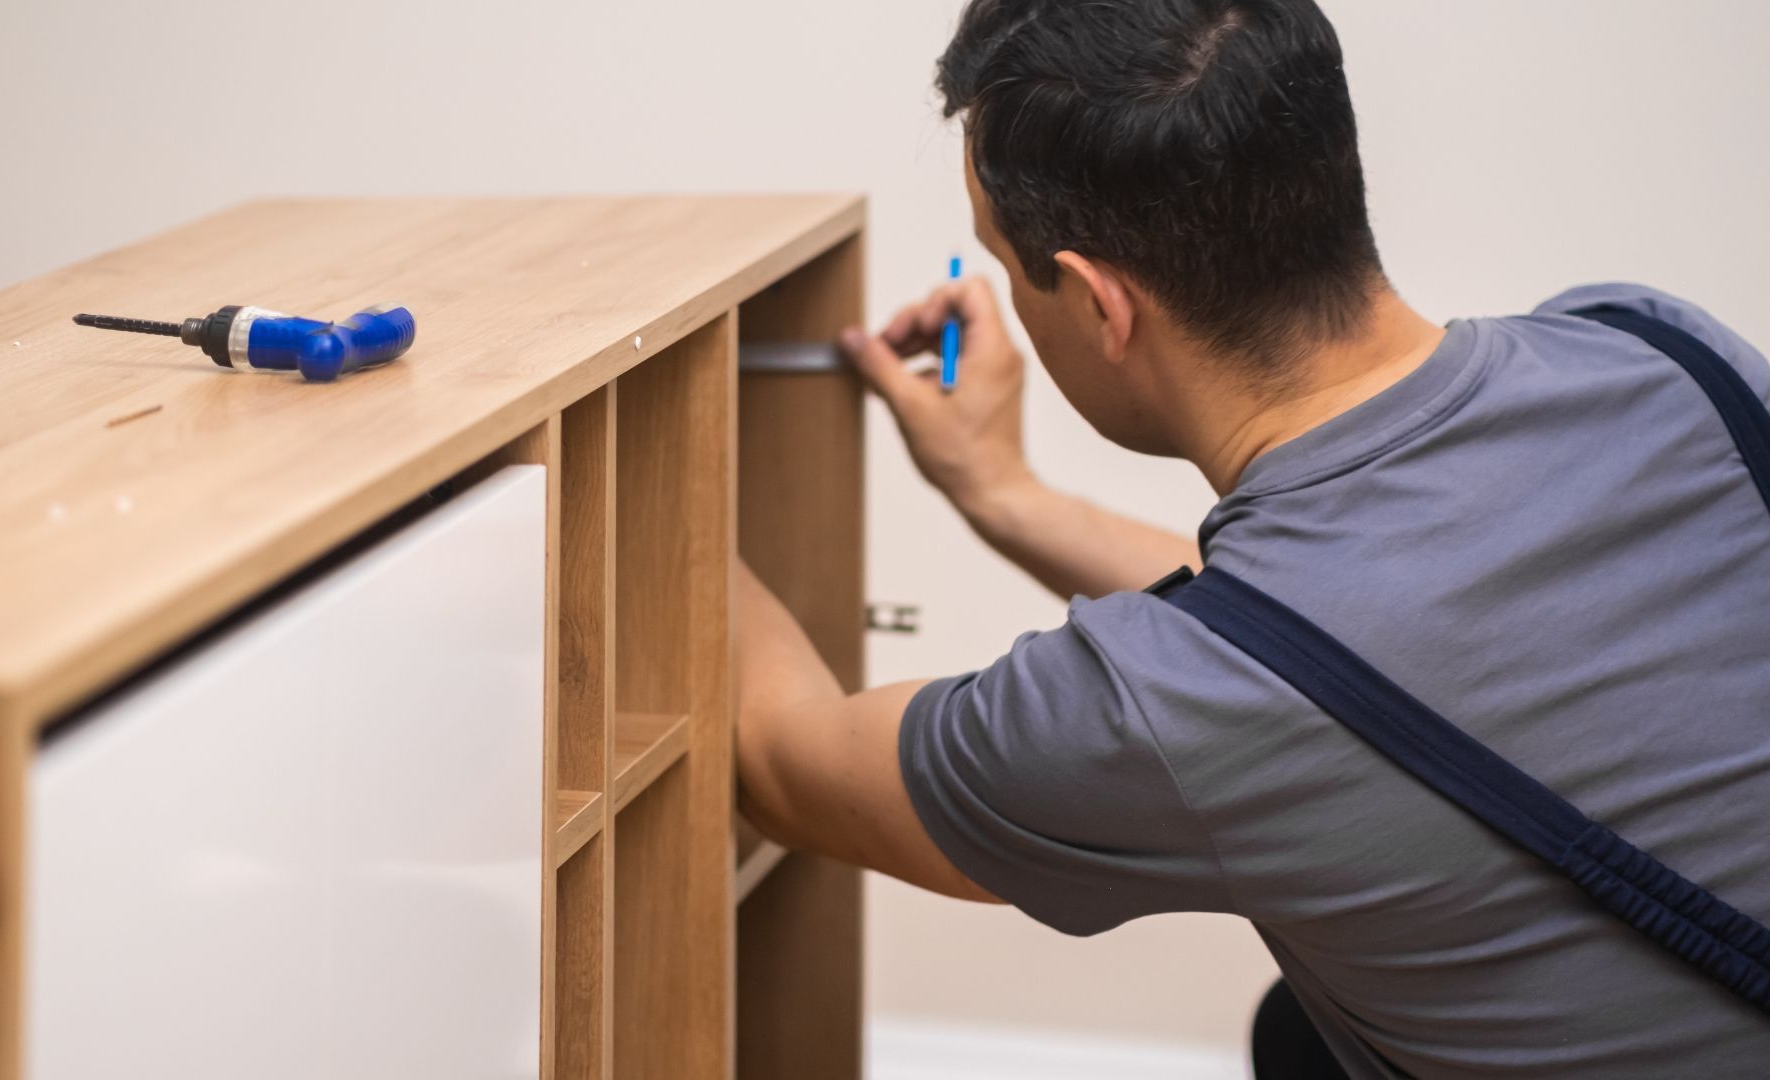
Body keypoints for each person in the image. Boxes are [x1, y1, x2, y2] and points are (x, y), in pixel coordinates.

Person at [732, 0, 1770, 1076]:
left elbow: (778, 764)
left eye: (1006, 262)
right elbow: (1340, 655)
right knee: (1298, 1038)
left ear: (1098, 304)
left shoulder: (1155, 714)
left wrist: (647, 479)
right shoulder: (1661, 353)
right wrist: (1005, 494)